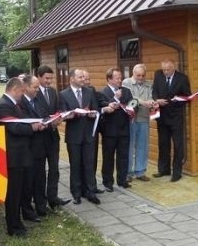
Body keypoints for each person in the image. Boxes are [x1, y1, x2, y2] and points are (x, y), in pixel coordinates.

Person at [0, 77, 45, 237]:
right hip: (14, 156)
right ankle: (13, 226)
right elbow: (15, 128)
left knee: (21, 190)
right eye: (22, 91)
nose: (23, 95)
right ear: (15, 90)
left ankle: (19, 221)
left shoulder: (13, 104)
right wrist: (33, 128)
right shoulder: (4, 105)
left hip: (21, 154)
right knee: (13, 193)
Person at [59, 68, 101, 205]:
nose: (83, 79)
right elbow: (62, 114)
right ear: (72, 79)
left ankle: (90, 192)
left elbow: (96, 109)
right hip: (74, 136)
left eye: (83, 77)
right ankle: (76, 193)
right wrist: (70, 115)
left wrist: (93, 113)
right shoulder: (63, 94)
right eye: (80, 77)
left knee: (89, 164)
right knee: (75, 165)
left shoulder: (89, 91)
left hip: (88, 134)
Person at [34, 65, 71, 210]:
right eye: (46, 78)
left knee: (54, 169)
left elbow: (58, 109)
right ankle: (40, 203)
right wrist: (49, 122)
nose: (49, 81)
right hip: (39, 138)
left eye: (51, 78)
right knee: (40, 172)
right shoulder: (34, 93)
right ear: (38, 77)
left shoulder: (53, 91)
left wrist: (60, 117)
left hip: (53, 137)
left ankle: (53, 198)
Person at [152, 59, 191, 182]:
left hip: (176, 117)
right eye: (164, 69)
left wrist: (176, 100)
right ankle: (164, 170)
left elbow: (187, 96)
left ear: (174, 68)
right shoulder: (158, 75)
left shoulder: (182, 78)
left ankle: (177, 173)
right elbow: (154, 91)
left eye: (168, 70)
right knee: (163, 144)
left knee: (178, 145)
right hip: (162, 116)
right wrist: (157, 100)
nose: (165, 72)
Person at [98, 68, 134, 191]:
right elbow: (104, 106)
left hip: (124, 129)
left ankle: (122, 180)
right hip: (109, 131)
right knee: (108, 157)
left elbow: (133, 104)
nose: (120, 80)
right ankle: (108, 182)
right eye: (117, 78)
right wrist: (115, 98)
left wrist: (132, 109)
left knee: (123, 156)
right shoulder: (102, 92)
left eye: (120, 77)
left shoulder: (126, 91)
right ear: (109, 79)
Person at [19, 74, 48, 221]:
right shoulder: (20, 103)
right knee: (28, 181)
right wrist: (35, 126)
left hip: (40, 146)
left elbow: (45, 114)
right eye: (35, 87)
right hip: (28, 147)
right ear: (25, 87)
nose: (38, 90)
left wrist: (48, 121)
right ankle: (27, 211)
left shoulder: (38, 99)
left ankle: (41, 207)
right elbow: (21, 123)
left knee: (40, 178)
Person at [122, 63, 156, 182]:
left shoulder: (149, 84)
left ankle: (140, 171)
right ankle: (128, 172)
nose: (141, 78)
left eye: (143, 75)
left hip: (143, 117)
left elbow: (151, 97)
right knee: (129, 146)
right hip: (130, 119)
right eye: (138, 75)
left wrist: (152, 102)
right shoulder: (126, 82)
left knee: (143, 145)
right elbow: (130, 97)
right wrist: (144, 102)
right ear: (133, 73)